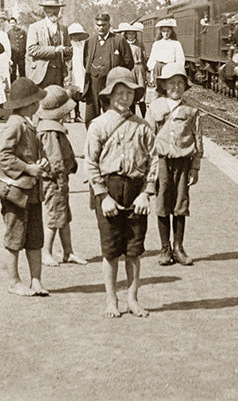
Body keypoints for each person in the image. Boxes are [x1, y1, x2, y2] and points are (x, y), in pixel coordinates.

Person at [85, 67, 157, 318]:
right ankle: (111, 299)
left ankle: (133, 298)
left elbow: (154, 160)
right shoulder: (99, 126)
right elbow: (91, 163)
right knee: (111, 250)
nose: (124, 98)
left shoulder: (144, 127)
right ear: (108, 96)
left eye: (129, 93)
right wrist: (103, 196)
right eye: (119, 93)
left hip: (136, 191)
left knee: (134, 250)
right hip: (109, 190)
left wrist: (146, 192)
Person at [0, 77, 50, 297]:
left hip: (32, 192)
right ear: (28, 104)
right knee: (15, 236)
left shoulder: (28, 123)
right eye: (35, 100)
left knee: (35, 237)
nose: (38, 104)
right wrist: (28, 169)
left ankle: (36, 280)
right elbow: (3, 156)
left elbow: (33, 152)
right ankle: (14, 281)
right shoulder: (15, 124)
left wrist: (42, 162)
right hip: (16, 192)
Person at [145, 62, 202, 267]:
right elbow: (148, 137)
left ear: (185, 86)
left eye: (180, 83)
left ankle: (179, 247)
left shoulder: (191, 110)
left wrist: (195, 167)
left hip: (183, 163)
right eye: (171, 83)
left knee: (181, 204)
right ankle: (165, 248)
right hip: (161, 162)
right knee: (162, 204)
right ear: (163, 86)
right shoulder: (155, 107)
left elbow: (198, 139)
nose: (175, 87)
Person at [35, 84, 87, 267]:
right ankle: (46, 252)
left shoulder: (53, 127)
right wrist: (60, 174)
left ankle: (68, 251)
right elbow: (55, 158)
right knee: (55, 217)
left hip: (60, 179)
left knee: (64, 216)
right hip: (54, 180)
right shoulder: (50, 131)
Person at [82, 12, 134, 126]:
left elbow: (129, 63)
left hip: (112, 85)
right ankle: (95, 141)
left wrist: (116, 74)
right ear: (94, 25)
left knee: (114, 116)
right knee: (90, 119)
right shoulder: (89, 42)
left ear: (109, 25)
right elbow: (85, 62)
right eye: (98, 25)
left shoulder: (118, 40)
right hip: (93, 85)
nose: (100, 28)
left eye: (104, 25)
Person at [27, 0, 73, 88]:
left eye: (56, 9)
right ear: (44, 10)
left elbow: (69, 50)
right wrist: (54, 50)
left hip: (59, 74)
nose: (54, 12)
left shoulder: (64, 29)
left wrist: (67, 52)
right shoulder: (35, 27)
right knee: (42, 101)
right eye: (50, 9)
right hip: (41, 74)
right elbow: (31, 49)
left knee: (57, 100)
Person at [146, 18, 185, 97]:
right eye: (164, 31)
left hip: (170, 69)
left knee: (170, 90)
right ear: (161, 32)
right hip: (159, 68)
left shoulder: (176, 44)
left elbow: (180, 59)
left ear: (171, 31)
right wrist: (152, 73)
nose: (166, 33)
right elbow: (152, 59)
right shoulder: (157, 44)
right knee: (158, 91)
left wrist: (177, 71)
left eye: (168, 31)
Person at [68, 23, 89, 122]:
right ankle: (68, 113)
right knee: (71, 92)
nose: (76, 37)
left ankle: (77, 114)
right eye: (73, 35)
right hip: (73, 71)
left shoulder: (83, 45)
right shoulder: (69, 46)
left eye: (77, 34)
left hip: (81, 70)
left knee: (79, 92)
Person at [7, 16, 27, 81]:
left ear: (16, 23)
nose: (12, 24)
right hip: (13, 56)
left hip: (21, 55)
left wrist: (25, 52)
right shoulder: (8, 33)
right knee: (13, 72)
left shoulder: (22, 32)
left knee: (22, 70)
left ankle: (23, 86)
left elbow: (26, 42)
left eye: (13, 23)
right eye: (11, 23)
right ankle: (13, 86)